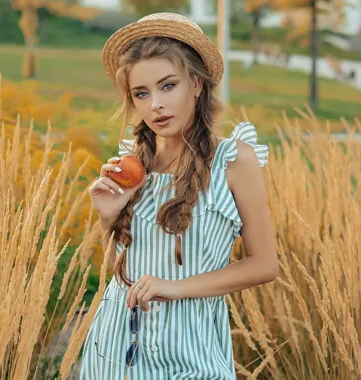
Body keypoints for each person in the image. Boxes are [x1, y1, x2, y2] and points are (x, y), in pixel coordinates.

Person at [80, 12, 278, 380]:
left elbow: (265, 264)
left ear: (197, 84)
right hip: (116, 347)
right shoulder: (131, 163)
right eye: (141, 93)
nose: (155, 103)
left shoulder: (233, 160)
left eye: (168, 85)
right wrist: (107, 217)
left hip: (193, 349)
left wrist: (175, 288)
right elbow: (122, 269)